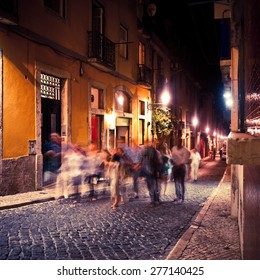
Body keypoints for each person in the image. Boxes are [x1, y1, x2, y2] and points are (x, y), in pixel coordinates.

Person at [134, 141, 162, 207]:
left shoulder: (149, 151)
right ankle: (156, 199)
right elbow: (159, 161)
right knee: (155, 185)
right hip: (152, 170)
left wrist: (137, 165)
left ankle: (154, 200)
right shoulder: (155, 152)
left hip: (150, 170)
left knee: (151, 185)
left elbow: (140, 159)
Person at [171, 138, 190, 203]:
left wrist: (180, 164)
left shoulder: (185, 150)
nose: (178, 143)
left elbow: (185, 159)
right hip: (175, 167)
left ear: (182, 142)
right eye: (177, 141)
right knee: (176, 182)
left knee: (181, 182)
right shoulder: (173, 148)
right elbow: (172, 157)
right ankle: (178, 196)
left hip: (181, 168)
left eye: (179, 142)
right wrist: (172, 161)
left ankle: (182, 196)